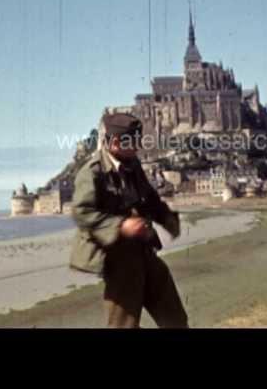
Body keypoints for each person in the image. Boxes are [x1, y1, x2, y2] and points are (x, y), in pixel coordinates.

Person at [70, 113, 188, 328]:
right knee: (123, 325)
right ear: (115, 142)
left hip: (144, 252)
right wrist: (121, 226)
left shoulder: (132, 164)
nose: (139, 146)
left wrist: (167, 219)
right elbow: (81, 212)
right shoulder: (92, 173)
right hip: (117, 260)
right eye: (134, 142)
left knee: (175, 319)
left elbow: (149, 199)